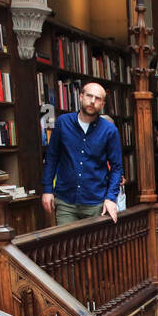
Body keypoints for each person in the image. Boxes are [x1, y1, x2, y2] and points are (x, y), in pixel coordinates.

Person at [40, 82, 122, 225]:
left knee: (95, 246)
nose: (92, 101)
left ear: (102, 104)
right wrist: (47, 189)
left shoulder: (110, 130)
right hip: (66, 201)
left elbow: (116, 167)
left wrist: (110, 198)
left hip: (96, 203)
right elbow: (52, 157)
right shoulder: (63, 123)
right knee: (66, 245)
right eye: (89, 96)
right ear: (81, 96)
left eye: (98, 99)